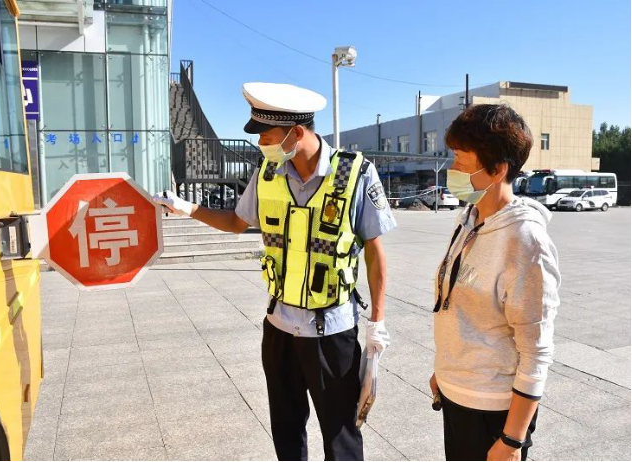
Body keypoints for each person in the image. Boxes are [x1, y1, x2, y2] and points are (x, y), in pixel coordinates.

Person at [155, 82, 396, 461]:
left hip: (331, 331)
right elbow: (237, 221)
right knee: (286, 430)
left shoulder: (355, 174)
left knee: (341, 437)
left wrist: (377, 323)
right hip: (280, 328)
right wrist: (187, 208)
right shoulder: (268, 173)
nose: (261, 144)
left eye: (266, 136)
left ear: (296, 133)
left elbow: (375, 253)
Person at [429, 104, 561, 461]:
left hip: (494, 410)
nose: (452, 169)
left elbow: (536, 350)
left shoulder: (526, 242)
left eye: (461, 160)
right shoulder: (468, 219)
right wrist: (445, 368)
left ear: (498, 169)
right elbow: (460, 306)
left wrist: (513, 440)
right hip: (457, 393)